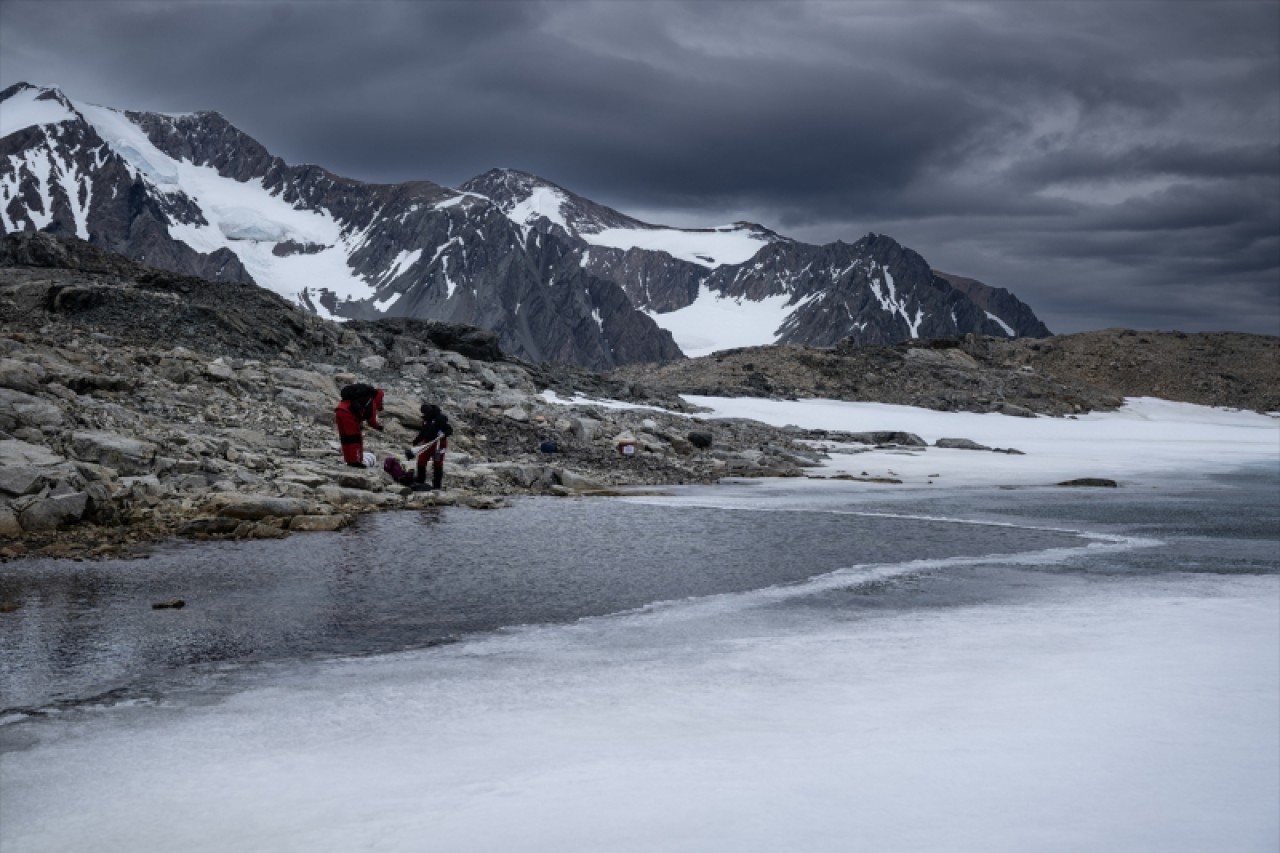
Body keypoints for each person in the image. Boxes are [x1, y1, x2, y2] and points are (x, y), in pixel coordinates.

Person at [334, 384, 384, 467]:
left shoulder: (359, 397)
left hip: (339, 410)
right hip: (348, 414)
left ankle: (348, 460)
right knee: (355, 438)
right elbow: (371, 420)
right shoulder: (371, 400)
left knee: (345, 438)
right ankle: (355, 461)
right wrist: (378, 427)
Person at [408, 402, 453, 490]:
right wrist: (416, 441)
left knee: (437, 463)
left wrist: (444, 434)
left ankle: (436, 485)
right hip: (427, 443)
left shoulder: (440, 418)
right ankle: (420, 480)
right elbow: (423, 432)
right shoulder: (426, 420)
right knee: (421, 460)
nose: (424, 415)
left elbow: (449, 429)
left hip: (439, 444)